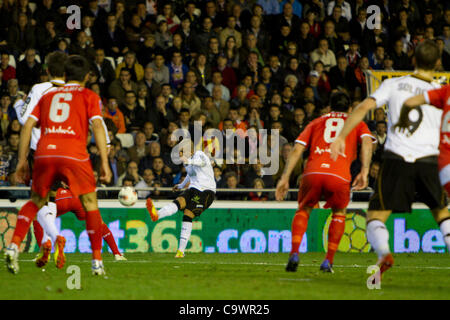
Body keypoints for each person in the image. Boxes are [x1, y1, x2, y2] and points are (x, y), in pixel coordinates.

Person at [330, 40, 450, 280]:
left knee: (376, 217)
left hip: (396, 160)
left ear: (413, 60)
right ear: (438, 63)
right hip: (429, 161)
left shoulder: (393, 84)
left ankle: (384, 253)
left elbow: (364, 106)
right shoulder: (441, 90)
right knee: (442, 214)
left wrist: (342, 136)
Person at [5, 55, 112, 276]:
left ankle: (13, 246)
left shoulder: (48, 95)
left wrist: (23, 160)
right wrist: (104, 161)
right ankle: (97, 262)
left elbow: (27, 126)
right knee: (90, 203)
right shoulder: (89, 96)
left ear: (65, 74)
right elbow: (99, 127)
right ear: (85, 76)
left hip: (44, 152)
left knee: (36, 201)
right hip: (73, 153)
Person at [276, 91, 374, 273]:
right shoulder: (357, 123)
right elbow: (368, 143)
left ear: (329, 107)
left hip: (313, 171)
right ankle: (328, 261)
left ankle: (295, 253)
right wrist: (365, 171)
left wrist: (284, 177)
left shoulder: (316, 121)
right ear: (350, 108)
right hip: (339, 174)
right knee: (339, 212)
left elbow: (297, 148)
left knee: (304, 209)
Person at [146, 140, 216, 258]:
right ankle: (157, 215)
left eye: (183, 150)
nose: (180, 153)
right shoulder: (188, 162)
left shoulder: (199, 154)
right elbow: (190, 174)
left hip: (206, 191)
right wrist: (181, 185)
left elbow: (202, 163)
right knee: (178, 202)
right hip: (193, 188)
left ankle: (180, 251)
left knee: (188, 214)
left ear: (191, 150)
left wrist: (188, 160)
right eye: (180, 151)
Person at [34, 185, 127, 266]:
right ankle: (117, 254)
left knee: (38, 218)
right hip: (75, 198)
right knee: (98, 223)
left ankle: (43, 253)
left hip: (58, 197)